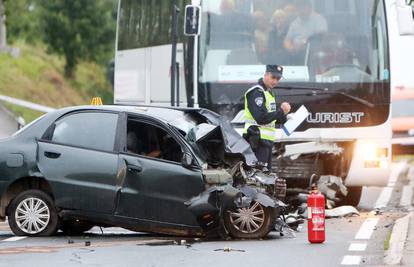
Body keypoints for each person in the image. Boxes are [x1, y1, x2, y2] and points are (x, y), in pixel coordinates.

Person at [243, 65, 291, 171]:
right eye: (273, 77)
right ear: (266, 75)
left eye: (278, 79)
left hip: (266, 142)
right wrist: (281, 111)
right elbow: (261, 117)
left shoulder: (269, 93)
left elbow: (273, 118)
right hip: (256, 141)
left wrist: (284, 115)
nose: (275, 81)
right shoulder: (256, 92)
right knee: (257, 177)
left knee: (266, 177)